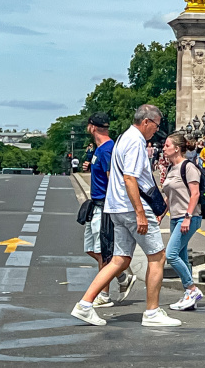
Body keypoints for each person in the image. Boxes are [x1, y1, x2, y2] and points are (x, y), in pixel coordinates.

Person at [71, 104, 181, 327]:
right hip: (132, 207)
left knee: (119, 259)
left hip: (116, 207)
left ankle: (84, 304)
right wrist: (141, 212)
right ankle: (152, 312)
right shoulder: (136, 142)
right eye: (156, 126)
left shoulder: (123, 137)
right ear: (146, 121)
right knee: (157, 257)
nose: (155, 132)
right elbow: (130, 178)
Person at [82, 113, 137, 309]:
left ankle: (103, 295)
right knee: (92, 249)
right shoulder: (100, 150)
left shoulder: (106, 151)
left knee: (103, 251)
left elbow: (112, 178)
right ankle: (121, 275)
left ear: (92, 127)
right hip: (97, 204)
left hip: (105, 205)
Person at [160, 133, 204, 309]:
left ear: (177, 148)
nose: (164, 148)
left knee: (171, 255)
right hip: (175, 217)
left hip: (188, 217)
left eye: (167, 145)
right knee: (182, 257)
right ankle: (189, 297)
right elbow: (169, 197)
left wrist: (187, 217)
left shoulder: (189, 167)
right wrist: (161, 215)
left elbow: (195, 193)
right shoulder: (172, 169)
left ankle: (191, 288)